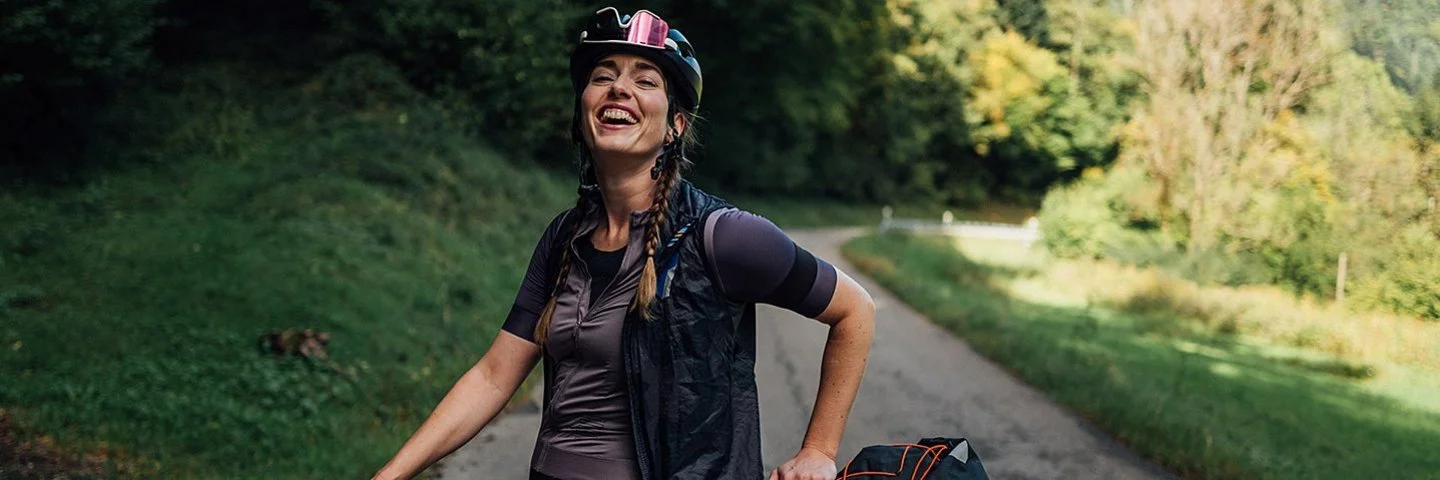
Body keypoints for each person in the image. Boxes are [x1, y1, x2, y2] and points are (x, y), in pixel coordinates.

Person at [371, 7, 876, 480]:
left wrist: (819, 450)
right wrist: (390, 475)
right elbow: (492, 378)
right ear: (583, 110)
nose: (619, 89)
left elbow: (855, 311)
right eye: (603, 76)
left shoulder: (722, 235)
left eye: (645, 81)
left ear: (676, 125)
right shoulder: (564, 237)